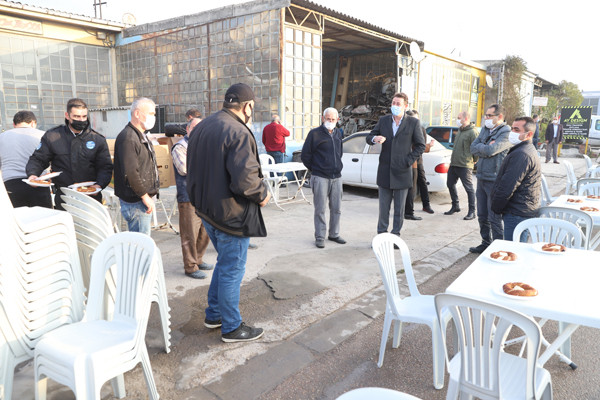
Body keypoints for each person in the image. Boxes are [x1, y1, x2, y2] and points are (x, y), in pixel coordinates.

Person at [187, 83, 270, 343]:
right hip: (230, 215)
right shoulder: (238, 131)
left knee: (224, 265)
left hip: (207, 211)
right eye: (252, 108)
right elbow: (246, 181)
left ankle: (214, 315)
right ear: (247, 106)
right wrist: (263, 194)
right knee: (232, 270)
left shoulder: (204, 126)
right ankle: (232, 327)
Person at [26, 98, 112, 210]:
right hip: (64, 197)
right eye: (76, 116)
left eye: (84, 116)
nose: (81, 120)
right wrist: (33, 174)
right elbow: (38, 159)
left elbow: (105, 167)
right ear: (67, 116)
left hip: (90, 198)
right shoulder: (53, 136)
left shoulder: (97, 139)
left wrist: (99, 185)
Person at [365, 93, 425, 237]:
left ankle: (395, 235)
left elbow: (421, 145)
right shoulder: (384, 120)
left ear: (405, 106)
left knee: (399, 209)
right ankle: (381, 235)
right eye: (393, 103)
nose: (395, 106)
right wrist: (375, 138)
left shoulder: (413, 123)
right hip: (385, 171)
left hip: (402, 171)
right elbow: (369, 137)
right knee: (383, 208)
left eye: (398, 104)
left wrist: (408, 161)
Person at [171, 117, 214, 279]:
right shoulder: (180, 147)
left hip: (205, 196)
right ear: (188, 129)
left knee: (205, 231)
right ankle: (190, 266)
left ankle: (199, 259)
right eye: (194, 127)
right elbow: (184, 169)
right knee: (190, 233)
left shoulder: (205, 146)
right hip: (188, 197)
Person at [113, 97, 160, 236]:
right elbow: (130, 172)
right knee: (140, 242)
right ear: (137, 114)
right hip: (137, 203)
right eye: (151, 113)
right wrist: (144, 196)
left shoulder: (139, 135)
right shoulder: (129, 138)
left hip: (140, 200)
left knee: (141, 241)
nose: (153, 117)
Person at [468, 104, 512, 253]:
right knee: (482, 215)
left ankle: (498, 247)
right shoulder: (485, 129)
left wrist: (483, 147)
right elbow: (472, 147)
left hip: (494, 179)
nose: (486, 118)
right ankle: (485, 243)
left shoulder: (506, 132)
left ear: (499, 117)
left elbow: (492, 150)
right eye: (485, 115)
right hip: (481, 177)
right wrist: (485, 147)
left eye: (489, 115)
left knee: (494, 217)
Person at [491, 116, 541, 241]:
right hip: (519, 210)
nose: (512, 132)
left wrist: (496, 207)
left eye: (517, 130)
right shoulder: (522, 150)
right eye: (512, 129)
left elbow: (508, 186)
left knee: (513, 248)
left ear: (529, 134)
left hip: (517, 212)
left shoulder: (522, 154)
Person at [301, 107, 345, 248]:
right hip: (320, 177)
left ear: (337, 120)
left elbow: (339, 153)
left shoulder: (338, 133)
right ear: (322, 118)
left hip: (336, 177)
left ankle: (334, 234)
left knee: (336, 208)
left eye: (333, 119)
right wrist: (316, 168)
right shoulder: (314, 134)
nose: (330, 121)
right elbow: (305, 155)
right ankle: (320, 236)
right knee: (320, 209)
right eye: (328, 119)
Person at [0, 111, 52, 208]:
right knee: (43, 216)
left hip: (10, 184)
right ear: (33, 123)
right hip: (38, 183)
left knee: (17, 217)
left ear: (14, 124)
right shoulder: (44, 135)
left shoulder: (2, 137)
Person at [444, 111, 478, 220]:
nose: (457, 120)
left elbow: (476, 149)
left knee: (469, 188)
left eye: (459, 118)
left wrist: (475, 160)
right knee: (450, 184)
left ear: (466, 118)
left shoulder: (472, 132)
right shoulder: (460, 130)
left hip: (465, 165)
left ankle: (472, 211)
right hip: (454, 163)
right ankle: (455, 206)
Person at [404, 109, 433, 220]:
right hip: (409, 160)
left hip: (417, 160)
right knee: (410, 186)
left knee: (422, 182)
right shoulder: (405, 129)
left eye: (417, 119)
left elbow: (421, 146)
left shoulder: (421, 129)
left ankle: (426, 205)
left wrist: (427, 146)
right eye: (413, 119)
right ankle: (408, 211)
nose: (416, 122)